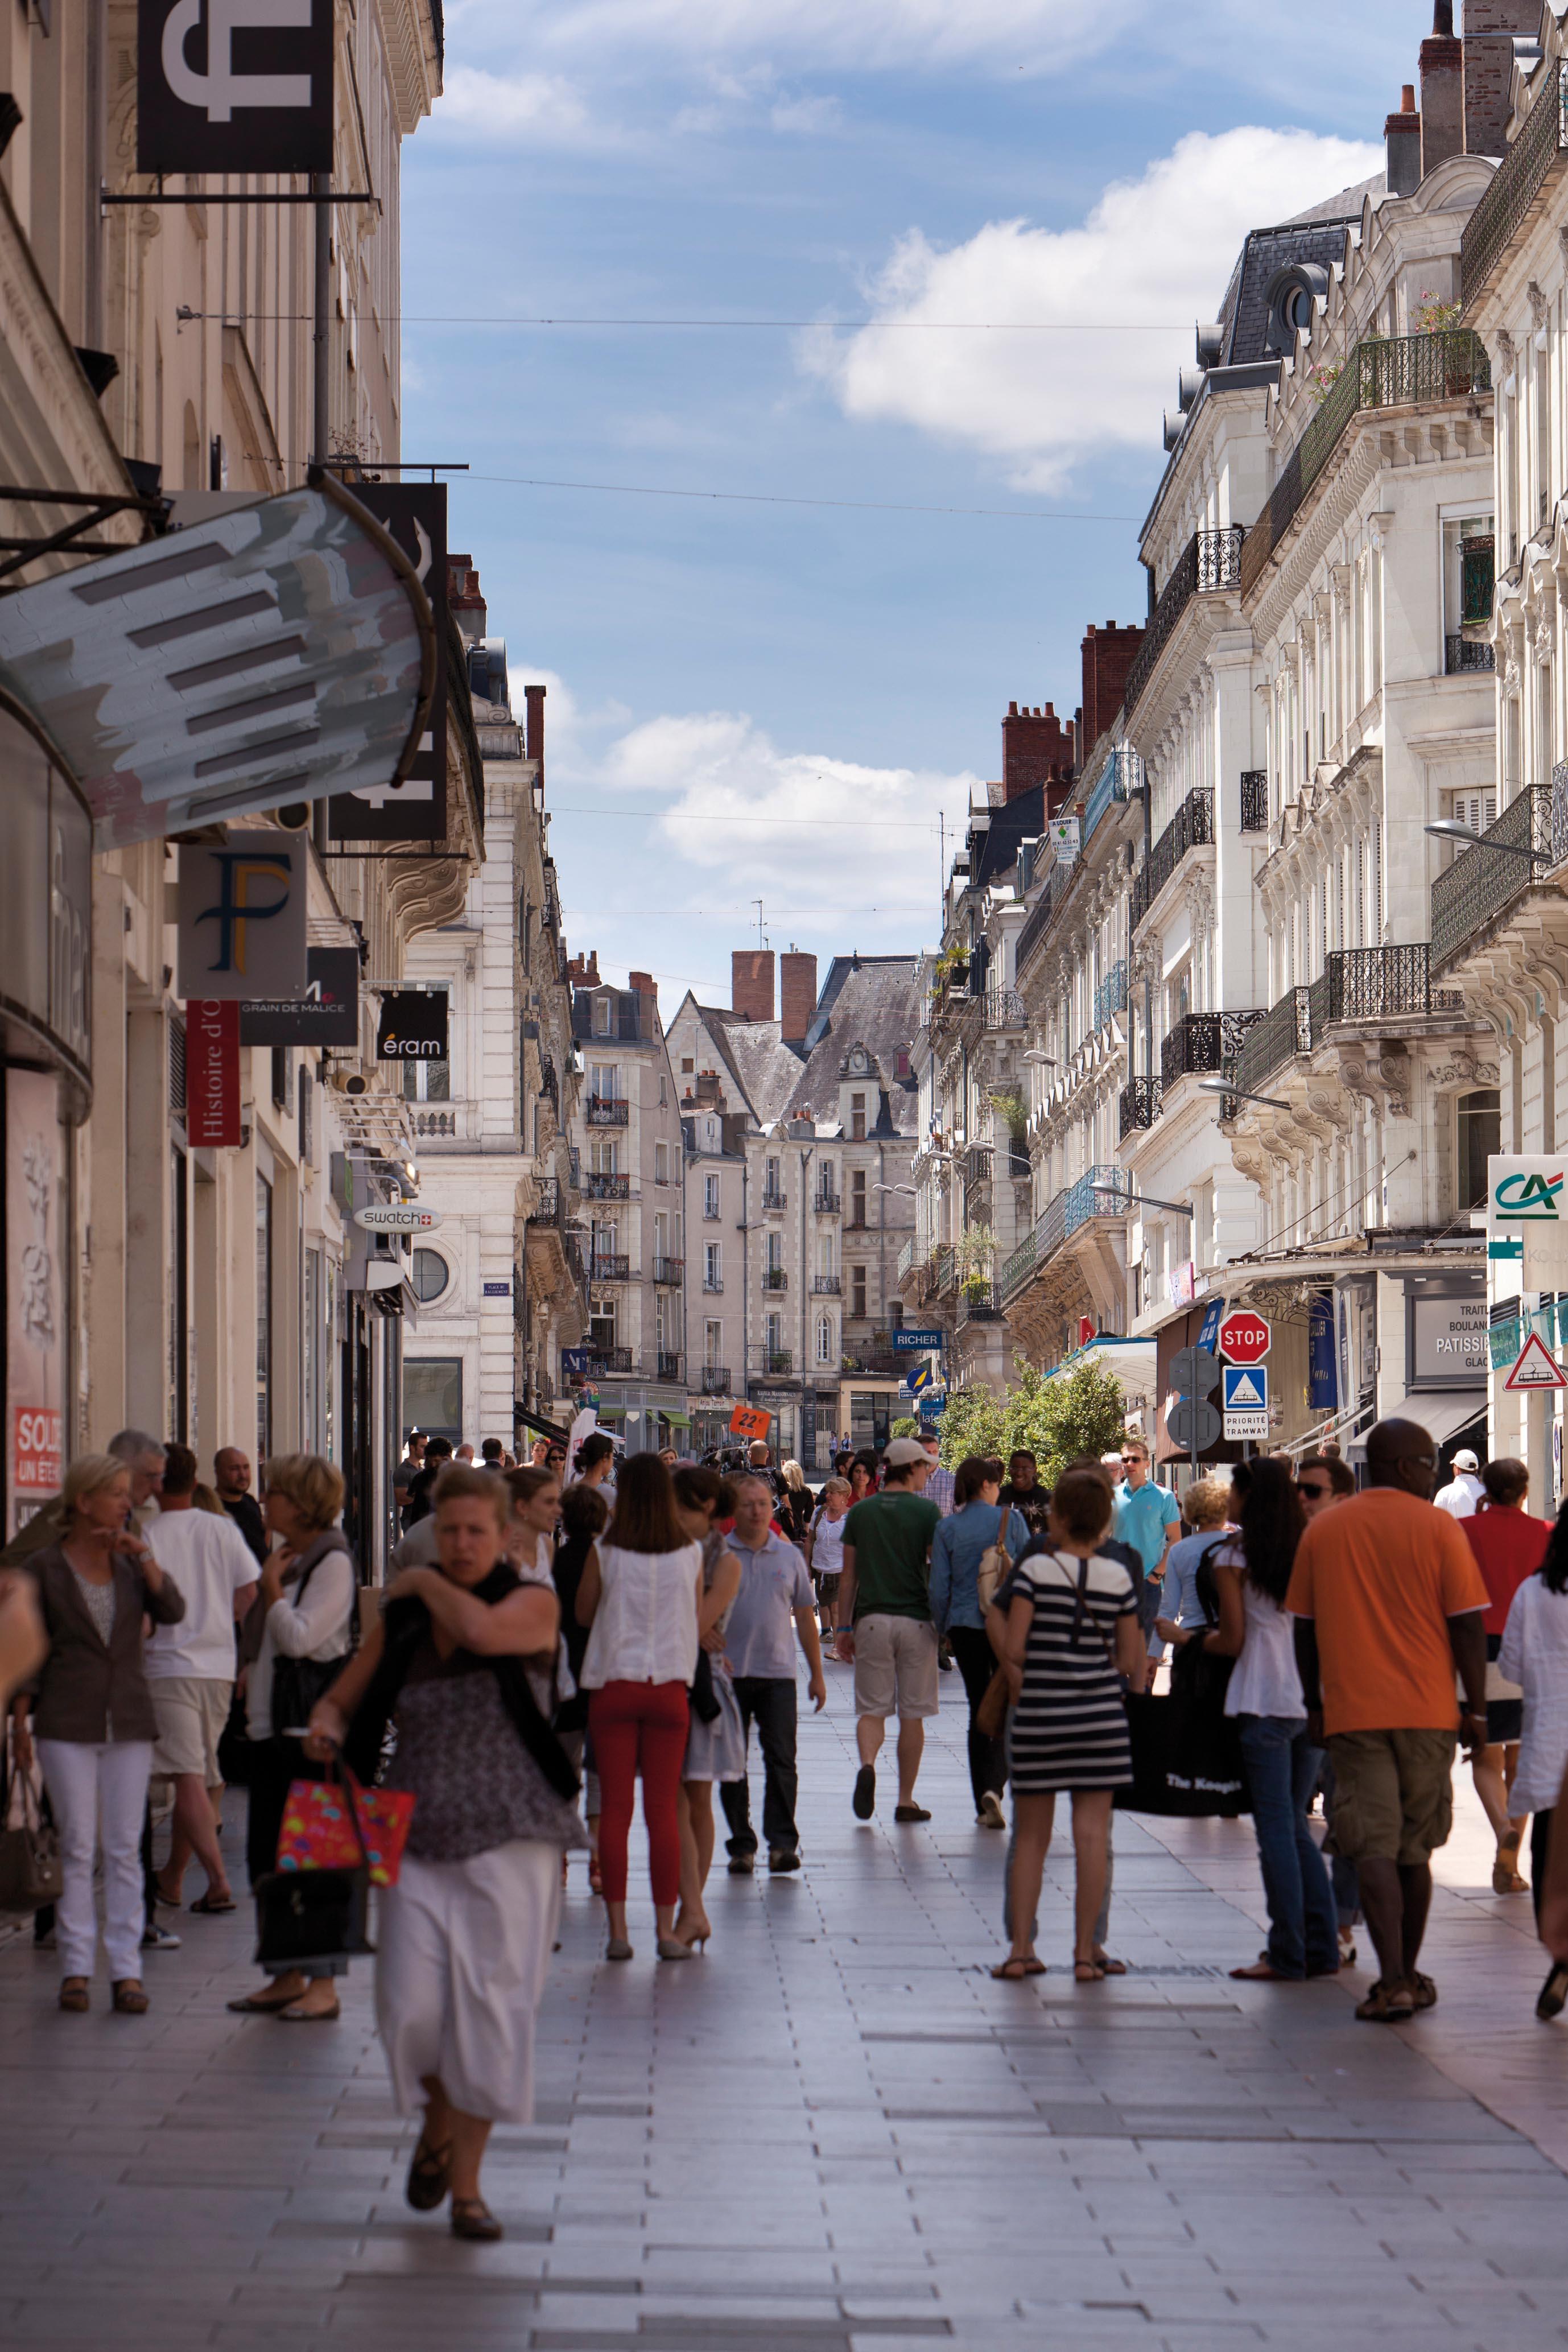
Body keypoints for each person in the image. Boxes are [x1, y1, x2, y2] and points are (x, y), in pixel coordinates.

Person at [306, 1463, 583, 2243]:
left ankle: (467, 2187)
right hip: (415, 1825)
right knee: (410, 2009)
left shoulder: (532, 1601)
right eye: (448, 1531)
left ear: (505, 1537)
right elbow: (349, 1691)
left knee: (492, 2007)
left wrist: (421, 1587)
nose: (460, 1544)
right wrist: (328, 1718)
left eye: (476, 1532)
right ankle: (436, 2123)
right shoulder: (402, 1622)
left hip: (514, 1829)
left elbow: (483, 1634)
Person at [1286, 1417, 1489, 2021]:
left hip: (1351, 1714)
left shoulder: (1324, 1532)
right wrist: (1475, 1709)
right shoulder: (1437, 1528)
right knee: (1413, 1848)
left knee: (1370, 1844)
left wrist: (1313, 1703)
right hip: (1428, 1714)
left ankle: (1393, 1978)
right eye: (1429, 1463)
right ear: (1405, 1467)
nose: (1434, 1474)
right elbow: (1466, 1623)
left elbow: (1304, 1627)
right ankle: (1405, 1973)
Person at [9, 1453, 185, 2012]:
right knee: (79, 1845)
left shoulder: (132, 1563)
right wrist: (20, 1720)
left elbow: (174, 1610)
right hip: (66, 1720)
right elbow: (29, 1649)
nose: (127, 1502)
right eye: (115, 1493)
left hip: (128, 1719)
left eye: (126, 1493)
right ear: (83, 1501)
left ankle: (127, 1970)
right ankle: (77, 1968)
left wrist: (148, 1560)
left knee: (125, 1848)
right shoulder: (46, 1567)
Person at [1185, 1460, 1338, 1982]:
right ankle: (1322, 1945)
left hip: (1263, 1696)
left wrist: (1182, 1638)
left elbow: (1231, 1640)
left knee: (1275, 1827)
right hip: (1313, 1700)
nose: (1227, 1500)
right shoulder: (1315, 1548)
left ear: (1249, 1496)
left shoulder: (1235, 1556)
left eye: (1233, 1491)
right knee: (1295, 1826)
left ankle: (1287, 1951)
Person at [991, 1467, 1143, 1982]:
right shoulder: (1119, 1578)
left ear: (1058, 1516)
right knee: (1092, 1836)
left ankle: (1020, 1950)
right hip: (1100, 1716)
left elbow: (1013, 1646)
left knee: (1032, 1837)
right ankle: (1085, 1953)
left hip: (1040, 1712)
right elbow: (1128, 1658)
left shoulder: (1037, 1573)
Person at [228, 1455, 357, 2022]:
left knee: (315, 1857)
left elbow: (302, 1639)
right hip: (272, 1729)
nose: (265, 1498)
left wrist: (273, 1589)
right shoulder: (296, 1556)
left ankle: (322, 1984)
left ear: (301, 1504)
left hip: (308, 1733)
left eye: (275, 1491)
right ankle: (285, 1975)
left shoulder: (331, 1561)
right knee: (269, 1857)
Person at [575, 1453, 703, 1960]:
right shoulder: (689, 1553)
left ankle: (618, 1931)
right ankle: (667, 1932)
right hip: (669, 1687)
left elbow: (584, 1613)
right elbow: (693, 1615)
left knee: (615, 1811)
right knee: (664, 1814)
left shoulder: (605, 1551)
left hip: (613, 1685)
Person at [144, 1443, 259, 1914]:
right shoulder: (222, 1528)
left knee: (191, 1778)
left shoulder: (148, 1535)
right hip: (217, 1667)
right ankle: (174, 1879)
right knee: (203, 1775)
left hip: (169, 1666)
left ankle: (215, 1882)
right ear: (197, 1482)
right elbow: (249, 1593)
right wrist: (226, 1631)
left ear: (155, 1485)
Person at [719, 1474, 826, 1875]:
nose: (758, 1511)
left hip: (778, 1674)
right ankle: (741, 1844)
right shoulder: (717, 1555)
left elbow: (804, 1616)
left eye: (764, 1503)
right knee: (732, 1763)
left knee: (782, 1759)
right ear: (734, 1510)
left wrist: (816, 1674)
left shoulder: (789, 1557)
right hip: (729, 1675)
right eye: (748, 1504)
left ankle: (782, 1843)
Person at [835, 1436, 941, 1824]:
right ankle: (906, 1800)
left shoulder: (861, 1513)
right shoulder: (927, 1512)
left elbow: (848, 1577)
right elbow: (939, 1570)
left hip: (872, 1621)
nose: (928, 1474)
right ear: (910, 1468)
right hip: (916, 1621)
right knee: (912, 1714)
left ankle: (866, 1765)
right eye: (925, 1467)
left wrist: (844, 1627)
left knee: (872, 1709)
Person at [1462, 1456, 1550, 1893]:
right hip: (1531, 1654)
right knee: (1519, 1761)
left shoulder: (1463, 1530)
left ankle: (1501, 1831)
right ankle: (1509, 1867)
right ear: (1526, 1491)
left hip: (1478, 1651)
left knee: (1485, 1755)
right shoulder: (1545, 1534)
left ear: (1485, 1489)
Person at [929, 1456, 1028, 1827]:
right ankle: (997, 1785)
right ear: (986, 1485)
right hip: (1007, 1625)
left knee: (979, 1704)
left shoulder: (948, 1528)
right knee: (1007, 1700)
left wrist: (943, 1627)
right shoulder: (1011, 1521)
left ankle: (984, 1793)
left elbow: (939, 1587)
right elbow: (1029, 1573)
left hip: (966, 1627)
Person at [670, 1466, 744, 1945]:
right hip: (673, 1674)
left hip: (703, 1683)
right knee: (675, 1800)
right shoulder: (667, 1548)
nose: (673, 1515)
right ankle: (689, 1909)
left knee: (695, 1797)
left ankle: (691, 1909)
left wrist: (691, 1624)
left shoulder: (726, 1559)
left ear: (708, 1509)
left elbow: (689, 1622)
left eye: (682, 1507)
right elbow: (689, 1624)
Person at [1294, 1452, 1360, 1965]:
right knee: (1313, 1815)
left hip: (1352, 1702)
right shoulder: (1303, 1543)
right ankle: (1327, 1919)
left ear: (1342, 1492)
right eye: (1299, 1491)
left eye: (1312, 1492)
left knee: (1345, 1815)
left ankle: (1340, 1920)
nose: (1302, 1499)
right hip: (1311, 1703)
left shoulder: (1354, 1541)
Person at [1498, 1501, 1568, 1947]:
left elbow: (1512, 1667)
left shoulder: (1533, 1591)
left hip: (1549, 1743)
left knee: (1548, 1850)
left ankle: (1558, 1952)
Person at [551, 1480, 608, 1892]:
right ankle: (598, 1860)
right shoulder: (608, 1560)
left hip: (563, 1676)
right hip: (602, 1674)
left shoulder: (553, 1560)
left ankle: (559, 1859)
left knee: (563, 1769)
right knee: (600, 1773)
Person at [0, 1427, 166, 1566]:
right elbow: (11, 1564)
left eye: (160, 1477)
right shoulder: (68, 1509)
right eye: (151, 1476)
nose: (158, 1487)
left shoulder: (130, 1522)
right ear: (122, 1468)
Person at [1149, 1475, 1231, 1662]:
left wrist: (1153, 1654)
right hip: (1228, 1639)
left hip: (1188, 1640)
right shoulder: (1236, 1547)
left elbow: (1169, 1608)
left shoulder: (1179, 1551)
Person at [1113, 1440, 1179, 1645]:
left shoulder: (1164, 1497)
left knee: (1146, 1650)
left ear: (1146, 1464)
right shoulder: (1111, 1497)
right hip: (1117, 1582)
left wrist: (1157, 1574)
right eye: (1126, 1459)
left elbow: (1176, 1539)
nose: (1130, 1464)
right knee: (1118, 1648)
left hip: (1149, 1583)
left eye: (1135, 1459)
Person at [805, 1476, 852, 1639]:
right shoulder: (819, 1512)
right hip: (821, 1569)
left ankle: (838, 1646)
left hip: (841, 1571)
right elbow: (810, 1539)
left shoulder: (851, 1517)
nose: (828, 1496)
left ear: (845, 1496)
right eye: (828, 1492)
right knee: (826, 1604)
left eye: (833, 1493)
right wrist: (806, 1565)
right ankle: (833, 1637)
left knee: (836, 1608)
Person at [213, 1447, 269, 1565]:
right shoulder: (212, 1507)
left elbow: (261, 1544)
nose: (243, 1475)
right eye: (234, 1469)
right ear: (218, 1472)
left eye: (246, 1467)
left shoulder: (250, 1501)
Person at [998, 1450, 1049, 1543]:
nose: (1019, 1473)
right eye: (1015, 1468)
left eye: (1024, 1468)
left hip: (1037, 1554)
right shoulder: (999, 1495)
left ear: (1034, 1470)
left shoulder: (1047, 1498)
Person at [405, 1437, 453, 1526]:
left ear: (447, 1458)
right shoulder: (421, 1478)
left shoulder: (456, 1478)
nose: (433, 1465)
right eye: (430, 1460)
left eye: (436, 1461)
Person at [1434, 1446, 1485, 1520]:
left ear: (1457, 1468)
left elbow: (1436, 1522)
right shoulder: (1487, 1493)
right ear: (1476, 1470)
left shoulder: (1444, 1493)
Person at [394, 1431, 428, 1530]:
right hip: (411, 1520)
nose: (426, 1450)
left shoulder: (422, 1470)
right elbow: (400, 1499)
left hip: (423, 1520)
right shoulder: (403, 1471)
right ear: (413, 1448)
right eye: (422, 1447)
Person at [778, 1459, 814, 1546]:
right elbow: (809, 1515)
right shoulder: (806, 1491)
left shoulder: (782, 1491)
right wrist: (806, 1531)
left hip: (782, 1529)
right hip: (798, 1529)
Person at [920, 1430, 956, 1518]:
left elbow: (961, 1516)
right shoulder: (908, 1482)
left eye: (935, 1452)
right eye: (928, 1452)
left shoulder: (952, 1481)